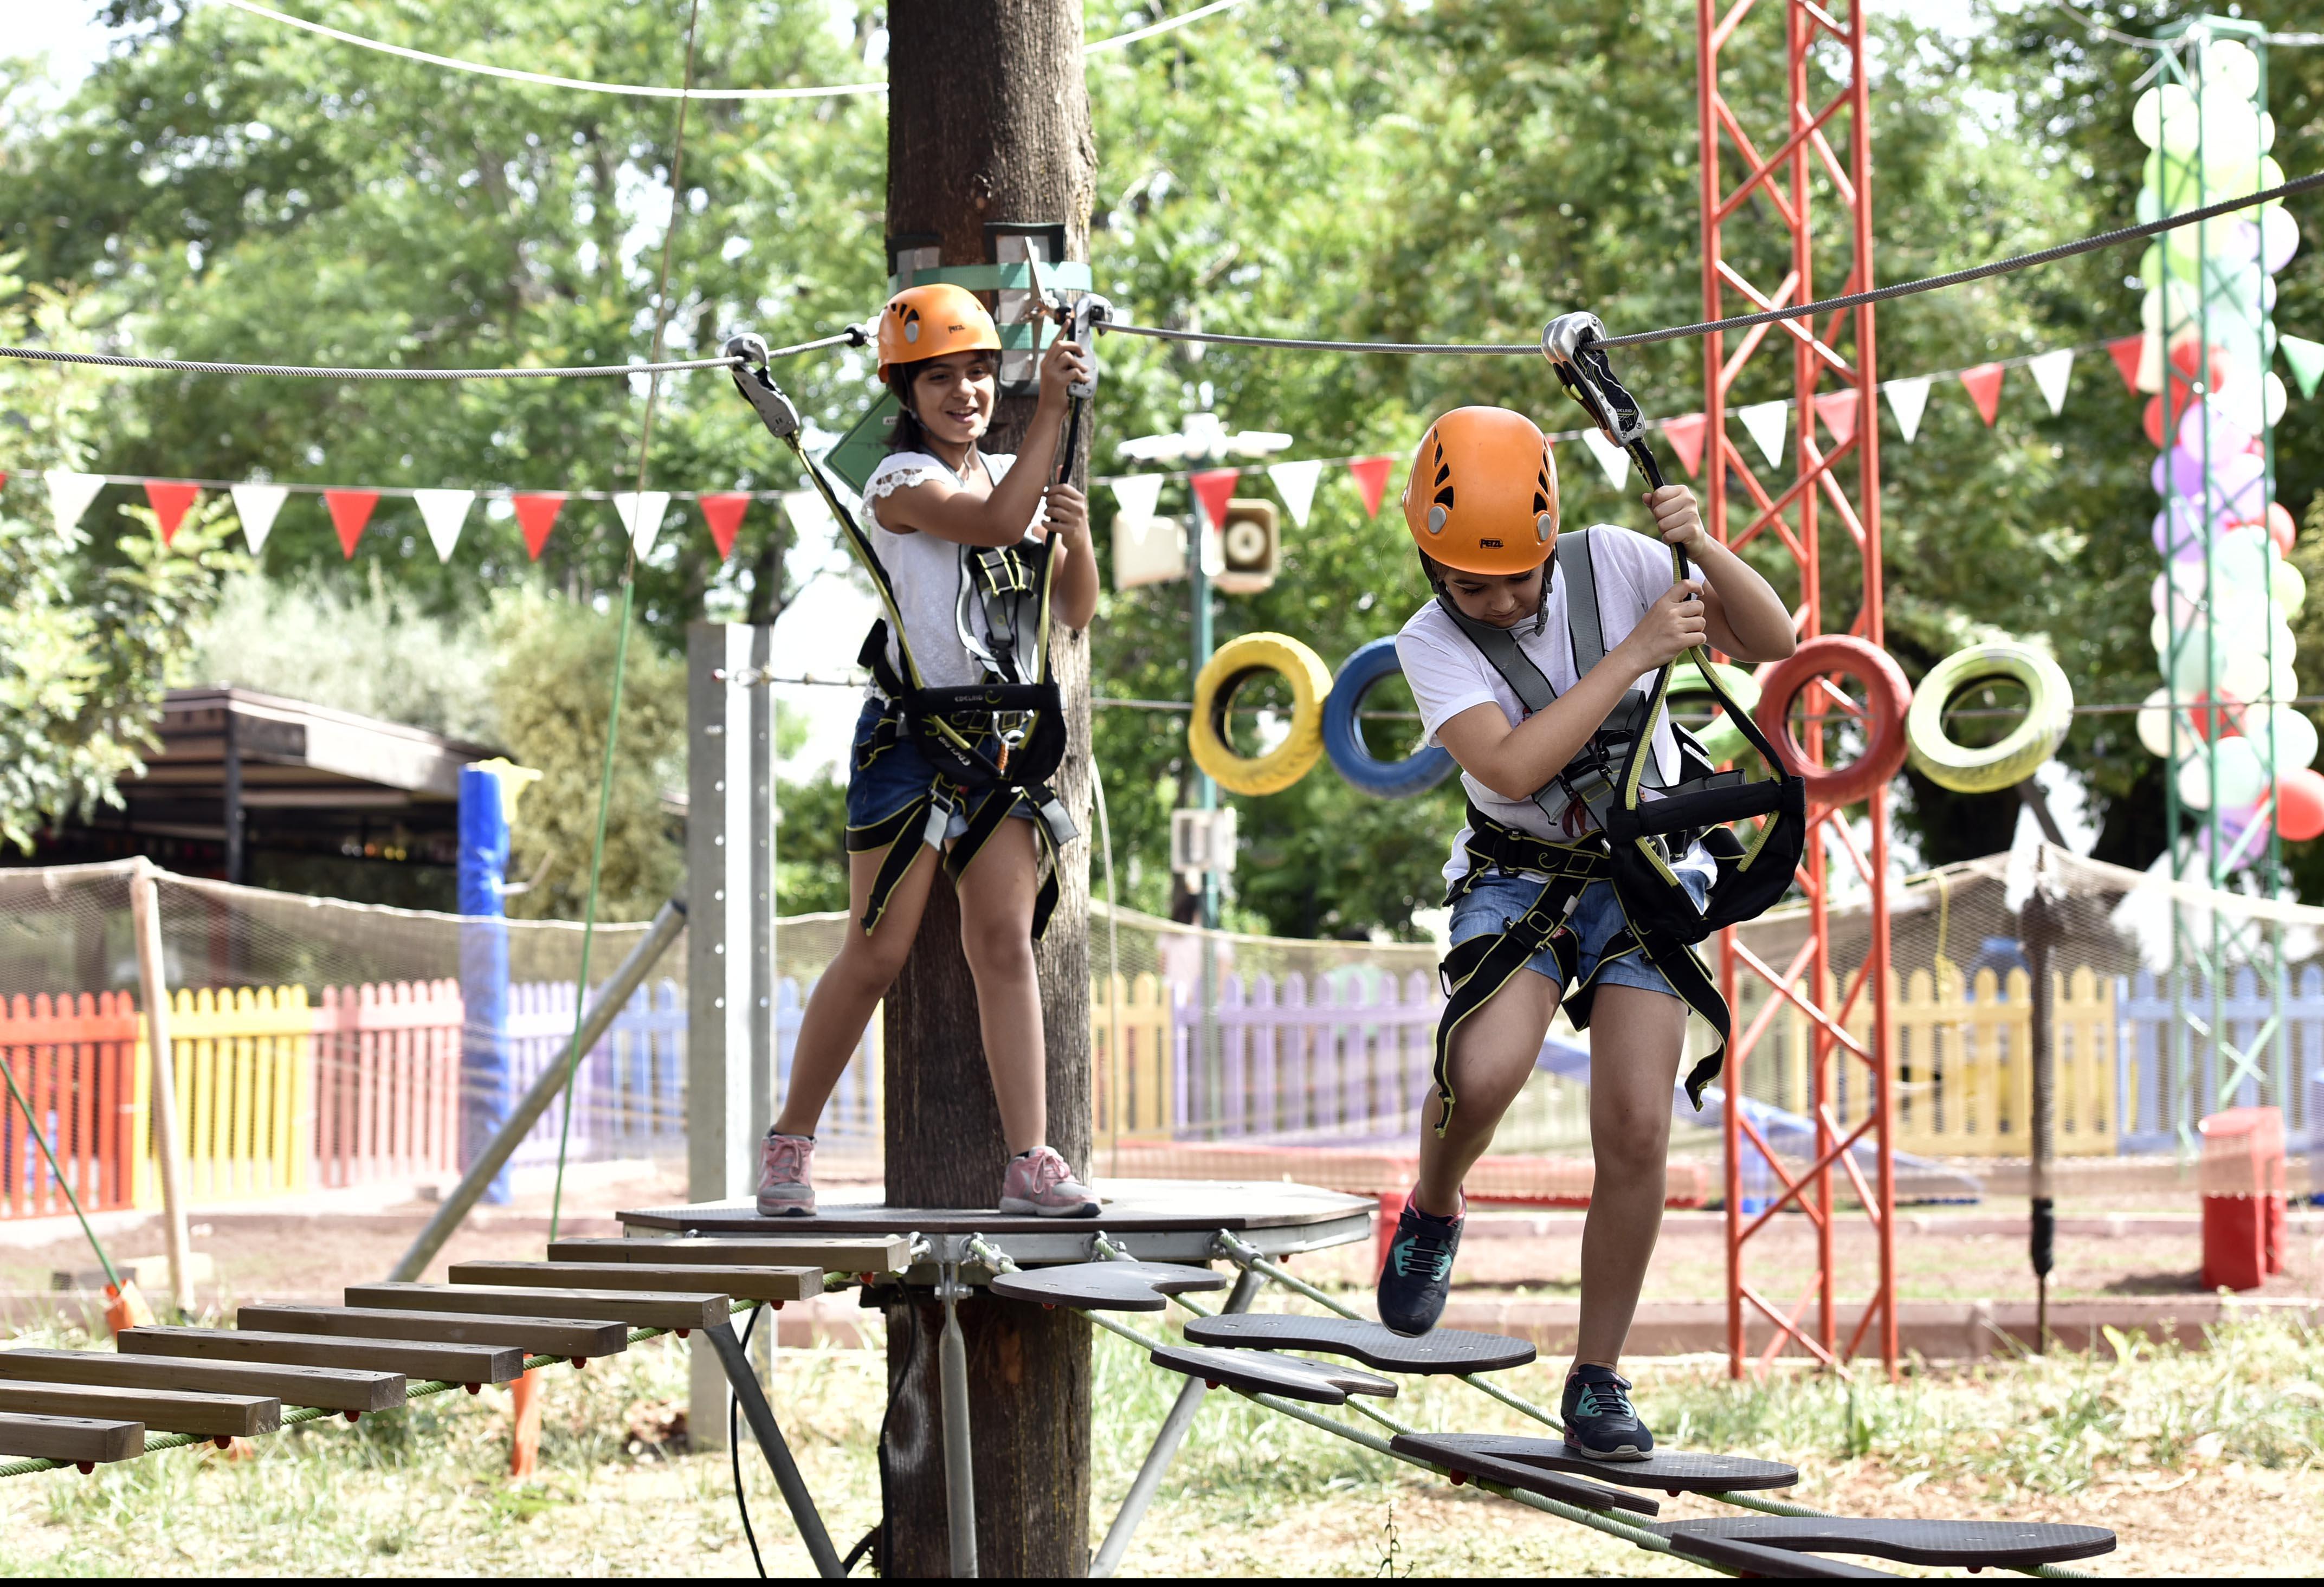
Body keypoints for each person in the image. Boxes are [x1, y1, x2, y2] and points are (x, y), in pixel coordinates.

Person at [1376, 405, 1795, 1458]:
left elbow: (1771, 639)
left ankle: (1598, 1375)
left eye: (1519, 577)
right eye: (1474, 586)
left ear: (1549, 538)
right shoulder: (1428, 643)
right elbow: (1509, 768)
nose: (1505, 600)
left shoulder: (1610, 561)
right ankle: (1434, 1204)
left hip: (1640, 869)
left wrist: (1694, 545)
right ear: (1433, 569)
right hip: (1520, 875)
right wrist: (1638, 649)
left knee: (1636, 1126)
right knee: (1482, 1072)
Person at [755, 282, 1101, 1219]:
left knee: (1004, 945)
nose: (965, 394)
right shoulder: (900, 484)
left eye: (981, 374)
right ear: (905, 395)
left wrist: (1077, 535)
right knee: (877, 949)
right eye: (940, 378)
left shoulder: (1008, 478)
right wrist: (1056, 413)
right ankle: (790, 1144)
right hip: (911, 739)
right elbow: (988, 527)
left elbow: (1069, 611)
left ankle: (1030, 1160)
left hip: (998, 742)